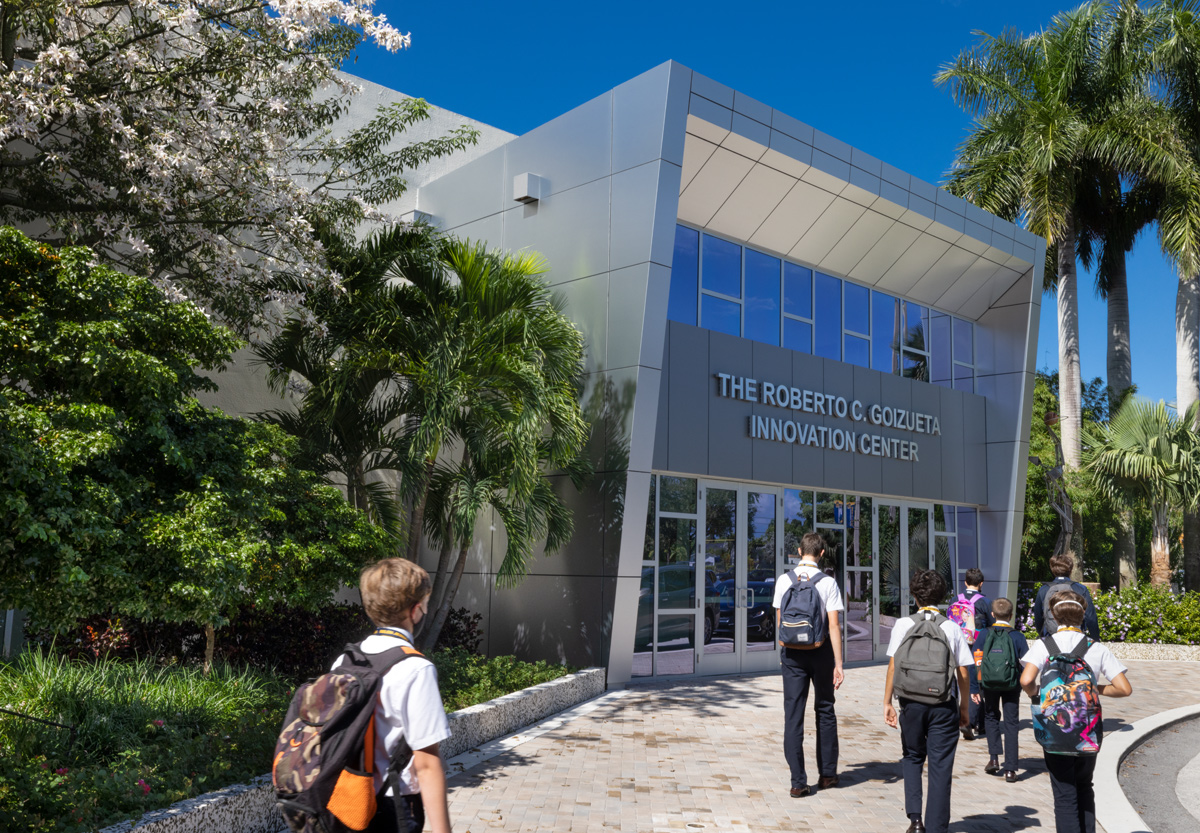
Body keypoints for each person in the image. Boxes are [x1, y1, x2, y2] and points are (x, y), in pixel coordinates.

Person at [340, 558, 453, 833]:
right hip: (394, 805)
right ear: (415, 610)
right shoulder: (416, 668)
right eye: (425, 603)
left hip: (347, 801)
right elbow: (426, 762)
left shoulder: (345, 660)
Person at [1020, 590, 1131, 833]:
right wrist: (1093, 688)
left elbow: (1026, 680)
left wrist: (1036, 694)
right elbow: (1124, 689)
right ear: (1082, 617)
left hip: (1054, 731)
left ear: (1054, 617)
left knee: (1064, 794)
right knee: (1084, 785)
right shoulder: (1095, 647)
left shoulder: (1043, 645)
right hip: (1087, 731)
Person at [883, 569, 974, 833]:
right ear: (943, 596)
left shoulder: (903, 624)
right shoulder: (951, 627)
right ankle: (936, 827)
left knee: (911, 757)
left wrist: (887, 702)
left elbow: (892, 666)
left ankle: (915, 820)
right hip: (944, 705)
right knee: (940, 765)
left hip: (910, 703)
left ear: (915, 596)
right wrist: (964, 709)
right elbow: (964, 672)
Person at [773, 531, 845, 798]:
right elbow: (834, 626)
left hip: (791, 654)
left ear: (799, 551)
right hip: (821, 650)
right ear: (822, 553)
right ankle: (827, 775)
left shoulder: (784, 580)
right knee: (825, 709)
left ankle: (798, 782)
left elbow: (781, 622)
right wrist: (839, 663)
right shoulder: (827, 583)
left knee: (793, 716)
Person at [971, 597, 1028, 782]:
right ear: (1011, 616)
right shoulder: (1018, 636)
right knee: (1012, 723)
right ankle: (1010, 769)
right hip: (1012, 684)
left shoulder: (983, 635)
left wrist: (974, 687)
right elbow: (1026, 663)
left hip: (989, 684)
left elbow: (976, 661)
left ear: (992, 615)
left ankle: (994, 759)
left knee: (991, 716)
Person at [952, 568, 993, 740]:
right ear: (981, 583)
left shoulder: (955, 599)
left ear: (965, 582)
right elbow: (992, 625)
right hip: (977, 647)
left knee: (959, 682)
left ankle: (957, 718)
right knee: (976, 684)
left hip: (957, 645)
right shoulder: (985, 602)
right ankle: (973, 722)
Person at [1033, 554, 1099, 639]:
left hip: (1051, 638)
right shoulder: (1081, 589)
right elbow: (1090, 617)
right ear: (1071, 570)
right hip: (1076, 637)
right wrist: (1096, 639)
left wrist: (1042, 635)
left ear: (1052, 570)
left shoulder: (1044, 590)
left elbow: (1038, 617)